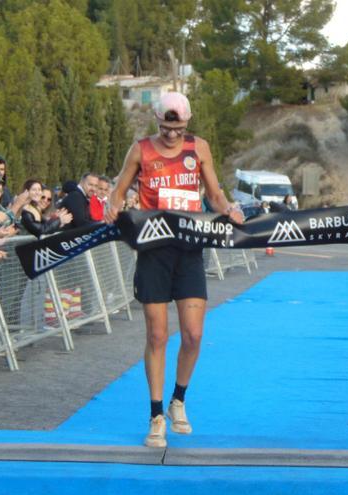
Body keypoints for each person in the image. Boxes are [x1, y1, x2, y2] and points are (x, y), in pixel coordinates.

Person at [104, 92, 244, 448]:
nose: (171, 134)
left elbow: (213, 194)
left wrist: (228, 208)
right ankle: (155, 416)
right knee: (157, 335)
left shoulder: (199, 148)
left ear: (188, 121)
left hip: (190, 247)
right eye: (166, 127)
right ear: (156, 120)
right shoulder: (140, 150)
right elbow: (118, 191)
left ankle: (178, 400)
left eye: (178, 128)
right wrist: (113, 207)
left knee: (194, 334)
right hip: (153, 249)